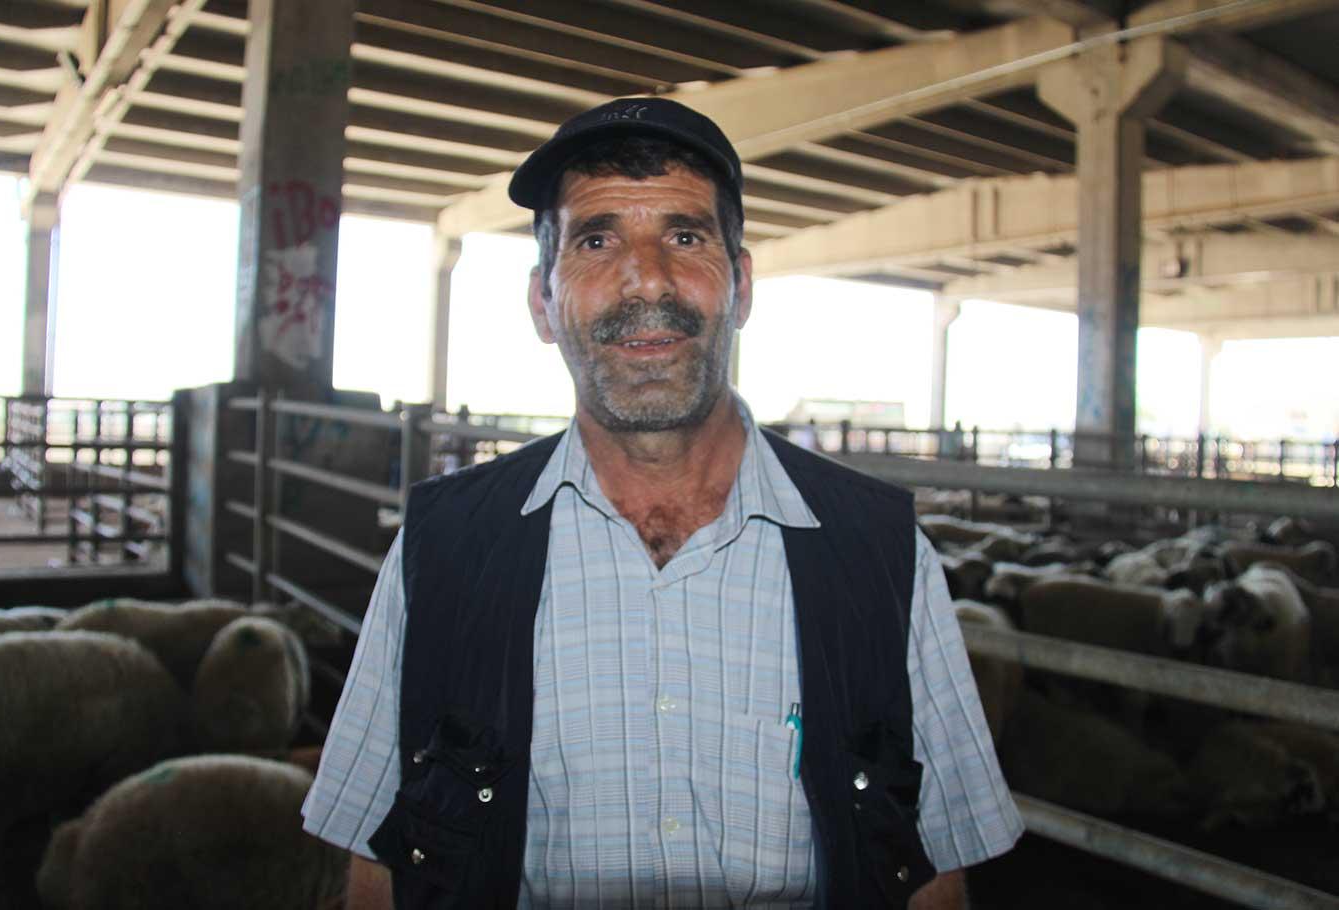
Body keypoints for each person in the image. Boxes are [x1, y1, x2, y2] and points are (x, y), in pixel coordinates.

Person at [302, 98, 1023, 909]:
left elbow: (933, 876)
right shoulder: (443, 548)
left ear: (740, 287)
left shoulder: (879, 551)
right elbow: (377, 865)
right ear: (542, 302)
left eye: (685, 237)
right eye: (596, 241)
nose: (646, 278)